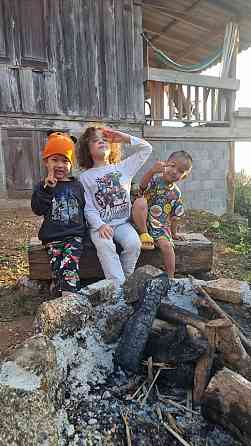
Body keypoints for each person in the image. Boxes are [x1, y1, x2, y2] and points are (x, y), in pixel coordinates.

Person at [78, 127, 152, 288]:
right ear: (87, 148)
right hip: (99, 226)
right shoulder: (85, 177)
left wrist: (124, 137)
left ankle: (126, 280)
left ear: (112, 145)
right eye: (95, 140)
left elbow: (147, 148)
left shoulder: (123, 168)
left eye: (105, 139)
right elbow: (88, 208)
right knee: (105, 245)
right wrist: (99, 225)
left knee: (133, 244)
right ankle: (117, 283)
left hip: (122, 223)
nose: (101, 141)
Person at [31, 131, 87, 296]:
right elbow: (38, 209)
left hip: (74, 236)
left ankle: (71, 299)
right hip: (52, 237)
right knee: (57, 269)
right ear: (46, 162)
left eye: (65, 161)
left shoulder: (77, 185)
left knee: (69, 266)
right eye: (54, 160)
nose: (60, 165)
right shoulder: (42, 186)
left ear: (71, 164)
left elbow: (84, 208)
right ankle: (58, 294)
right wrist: (48, 189)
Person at [132, 150, 192, 278]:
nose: (175, 171)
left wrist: (174, 233)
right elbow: (142, 187)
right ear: (165, 163)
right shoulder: (154, 180)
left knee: (168, 247)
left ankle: (170, 278)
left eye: (181, 171)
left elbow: (175, 216)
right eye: (173, 165)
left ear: (184, 176)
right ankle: (144, 235)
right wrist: (152, 171)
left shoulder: (176, 193)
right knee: (140, 202)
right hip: (141, 222)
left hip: (159, 227)